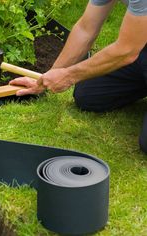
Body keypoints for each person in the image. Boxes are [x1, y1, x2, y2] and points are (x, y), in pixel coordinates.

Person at [9, 0, 147, 153]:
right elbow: (85, 29)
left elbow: (126, 51)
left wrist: (68, 76)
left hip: (135, 50)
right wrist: (49, 76)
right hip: (142, 49)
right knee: (88, 96)